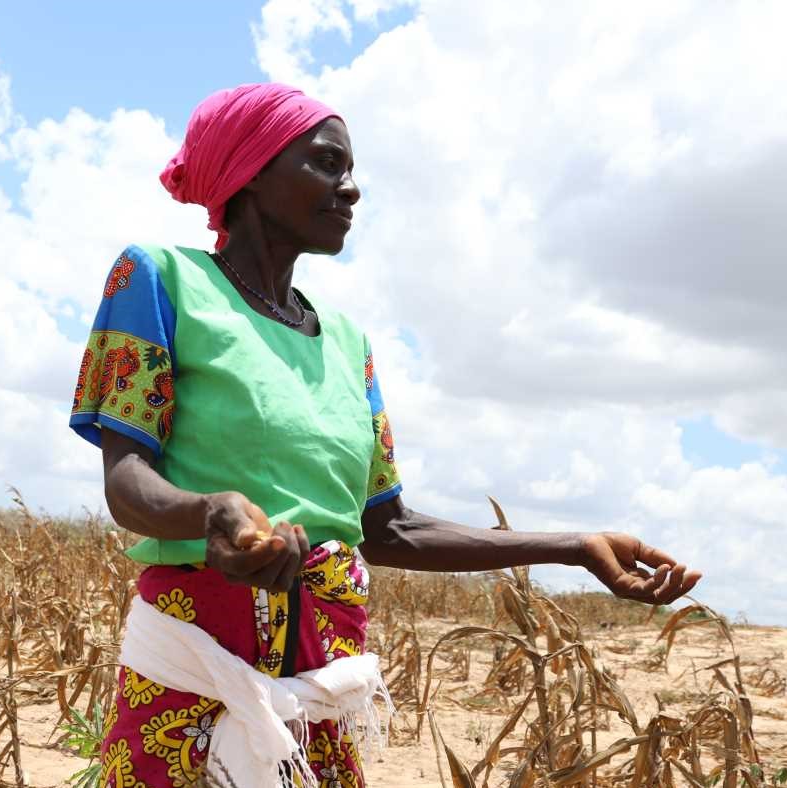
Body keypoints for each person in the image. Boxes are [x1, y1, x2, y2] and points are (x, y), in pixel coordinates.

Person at [68, 83, 701, 788]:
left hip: (321, 690)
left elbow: (387, 528)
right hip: (191, 682)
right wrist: (207, 511)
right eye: (325, 164)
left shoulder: (346, 341)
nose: (350, 189)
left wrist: (575, 548)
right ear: (249, 171)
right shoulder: (158, 279)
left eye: (348, 169)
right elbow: (126, 479)